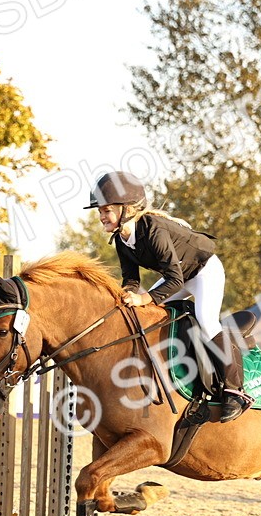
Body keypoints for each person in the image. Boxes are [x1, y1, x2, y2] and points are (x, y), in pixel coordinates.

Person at [85, 171, 252, 422]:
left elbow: (174, 280)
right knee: (144, 313)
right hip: (182, 274)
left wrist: (144, 299)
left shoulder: (153, 229)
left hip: (204, 271)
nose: (101, 217)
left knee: (206, 321)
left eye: (106, 210)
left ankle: (235, 391)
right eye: (100, 211)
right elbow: (131, 280)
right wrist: (127, 297)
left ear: (127, 209)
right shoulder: (121, 239)